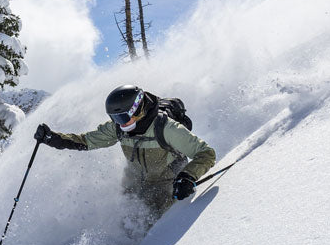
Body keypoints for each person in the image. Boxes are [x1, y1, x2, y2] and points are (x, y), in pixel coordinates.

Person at [34, 85, 217, 220]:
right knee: (128, 223)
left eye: (123, 117)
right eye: (114, 118)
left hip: (167, 186)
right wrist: (54, 138)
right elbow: (86, 141)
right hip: (135, 185)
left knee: (157, 228)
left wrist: (187, 176)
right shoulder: (119, 128)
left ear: (138, 109)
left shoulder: (166, 127)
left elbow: (206, 153)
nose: (120, 123)